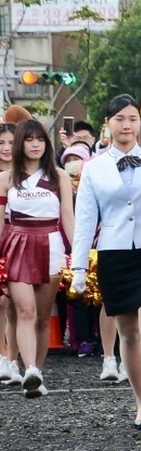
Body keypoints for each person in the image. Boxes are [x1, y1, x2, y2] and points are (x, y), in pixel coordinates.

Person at [71, 94, 141, 429]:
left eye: (132, 119)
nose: (126, 125)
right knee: (127, 333)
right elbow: (85, 219)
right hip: (114, 254)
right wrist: (79, 266)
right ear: (108, 124)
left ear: (140, 123)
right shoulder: (93, 168)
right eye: (119, 119)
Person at [0, 119, 76, 397]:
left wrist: (78, 254)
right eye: (29, 139)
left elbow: (67, 216)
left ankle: (38, 374)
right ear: (21, 143)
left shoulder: (59, 176)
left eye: (40, 139)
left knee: (43, 317)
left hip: (52, 245)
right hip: (16, 245)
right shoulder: (6, 178)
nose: (35, 144)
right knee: (25, 311)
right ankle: (29, 368)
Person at [0, 122, 17, 385]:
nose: (6, 149)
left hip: (20, 244)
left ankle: (13, 358)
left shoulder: (30, 175)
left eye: (12, 143)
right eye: (1, 143)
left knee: (17, 305)